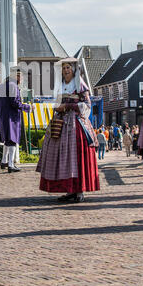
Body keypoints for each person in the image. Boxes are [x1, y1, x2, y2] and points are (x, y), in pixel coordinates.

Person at [36, 58, 100, 203]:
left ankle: (79, 190)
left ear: (73, 70)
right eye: (64, 68)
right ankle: (69, 190)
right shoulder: (61, 86)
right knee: (61, 158)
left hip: (75, 124)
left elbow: (87, 105)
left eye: (68, 68)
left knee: (75, 157)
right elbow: (58, 102)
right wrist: (58, 107)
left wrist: (68, 107)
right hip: (61, 122)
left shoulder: (80, 85)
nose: (65, 71)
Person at [0, 66, 31, 173]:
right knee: (12, 140)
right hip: (11, 117)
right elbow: (15, 103)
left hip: (2, 116)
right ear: (17, 76)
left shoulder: (2, 86)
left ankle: (4, 161)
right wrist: (27, 107)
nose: (22, 79)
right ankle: (11, 164)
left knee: (7, 139)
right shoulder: (13, 86)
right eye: (22, 76)